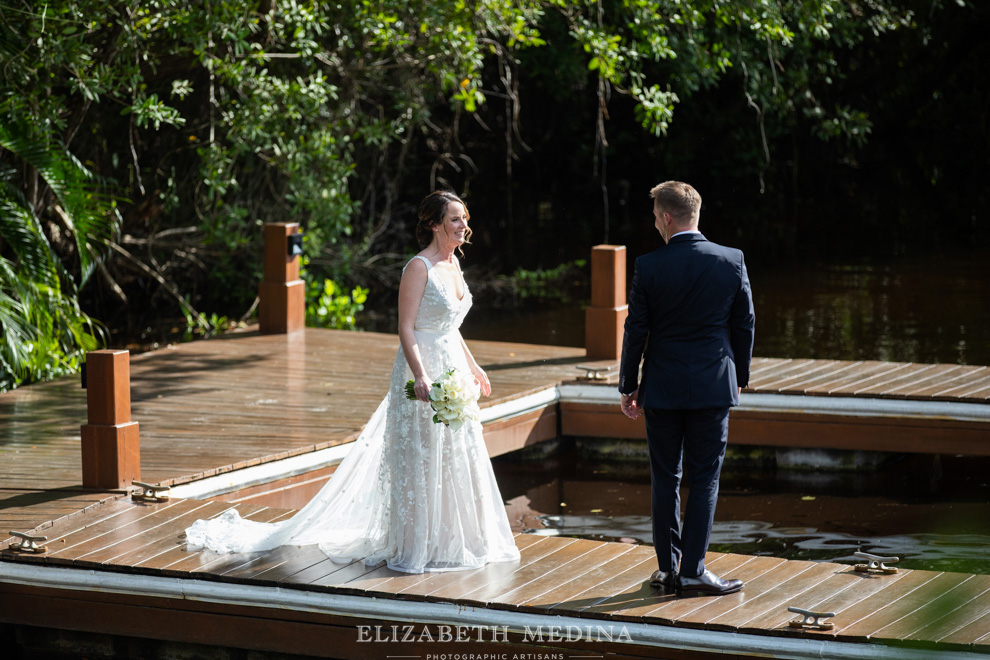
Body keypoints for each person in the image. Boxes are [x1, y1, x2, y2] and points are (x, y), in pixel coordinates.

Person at [185, 190, 521, 573]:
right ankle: (416, 542)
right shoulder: (419, 267)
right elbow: (406, 328)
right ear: (433, 224)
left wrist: (474, 367)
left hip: (453, 369)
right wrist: (421, 376)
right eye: (455, 220)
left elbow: (451, 327)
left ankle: (454, 537)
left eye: (464, 218)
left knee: (454, 452)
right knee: (422, 454)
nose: (464, 226)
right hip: (422, 368)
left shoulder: (454, 263)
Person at [618, 181, 755, 597]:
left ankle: (667, 570)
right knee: (706, 479)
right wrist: (740, 375)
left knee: (666, 478)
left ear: (666, 217)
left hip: (661, 386)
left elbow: (636, 328)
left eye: (655, 218)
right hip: (714, 384)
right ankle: (694, 570)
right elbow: (744, 323)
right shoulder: (731, 260)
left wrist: (628, 384)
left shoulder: (649, 264)